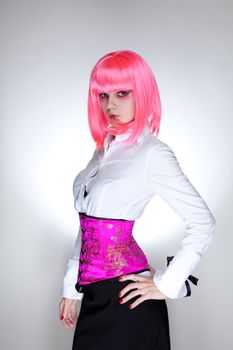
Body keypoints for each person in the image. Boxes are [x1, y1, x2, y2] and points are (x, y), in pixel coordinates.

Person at [59, 50, 216, 349]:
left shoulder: (152, 154)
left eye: (122, 93)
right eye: (103, 95)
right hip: (94, 296)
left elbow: (203, 222)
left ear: (142, 93)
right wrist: (71, 288)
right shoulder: (102, 150)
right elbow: (87, 227)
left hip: (129, 301)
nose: (110, 104)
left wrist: (166, 284)